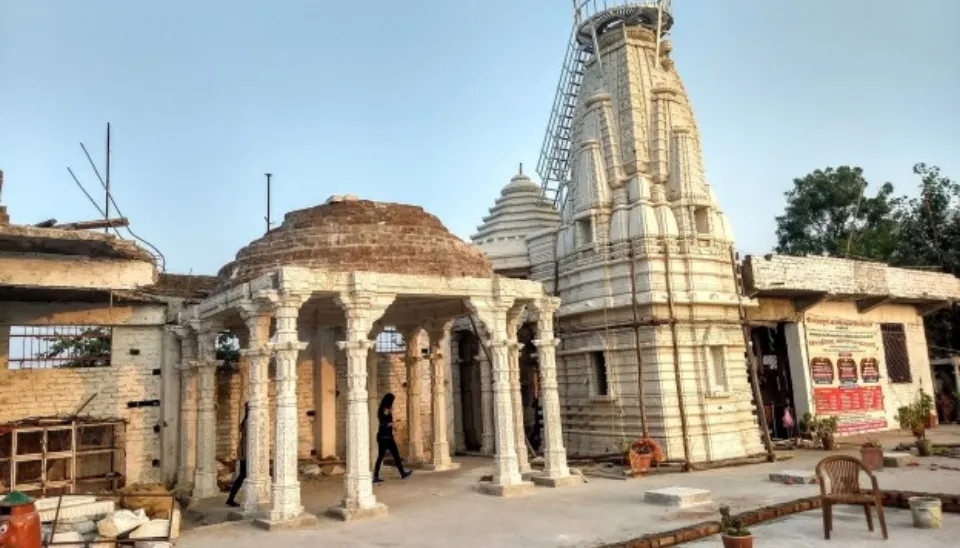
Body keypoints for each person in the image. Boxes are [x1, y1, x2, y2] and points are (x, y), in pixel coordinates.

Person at [373, 392, 412, 484]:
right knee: (390, 455)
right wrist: (389, 424)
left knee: (387, 456)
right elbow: (384, 421)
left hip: (385, 436)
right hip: (385, 437)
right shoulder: (384, 409)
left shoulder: (383, 408)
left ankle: (376, 476)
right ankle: (402, 473)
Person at [226, 403, 249, 507]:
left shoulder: (246, 420)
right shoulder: (248, 421)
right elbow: (246, 441)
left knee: (242, 476)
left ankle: (231, 498)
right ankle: (231, 499)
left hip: (245, 452)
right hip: (246, 453)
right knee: (243, 476)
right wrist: (244, 455)